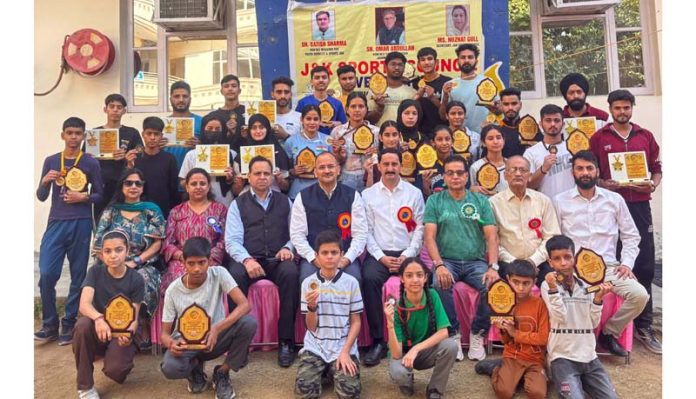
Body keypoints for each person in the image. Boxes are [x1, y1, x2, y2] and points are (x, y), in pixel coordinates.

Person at [553, 150, 648, 358]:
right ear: (573, 172)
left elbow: (632, 236)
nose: (585, 172)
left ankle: (609, 333)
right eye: (580, 168)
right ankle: (575, 348)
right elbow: (555, 239)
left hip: (610, 268)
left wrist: (627, 264)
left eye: (589, 168)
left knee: (640, 295)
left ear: (597, 171)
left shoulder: (614, 199)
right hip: (574, 271)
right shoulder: (560, 201)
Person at [590, 89, 662, 354]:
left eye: (626, 107)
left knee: (643, 266)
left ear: (632, 107)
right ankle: (606, 328)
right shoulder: (599, 138)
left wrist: (651, 185)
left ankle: (644, 328)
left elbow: (656, 169)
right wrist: (603, 183)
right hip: (609, 207)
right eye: (617, 107)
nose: (622, 111)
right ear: (610, 109)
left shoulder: (645, 136)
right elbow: (591, 171)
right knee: (614, 262)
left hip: (640, 206)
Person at [35, 117, 104, 345]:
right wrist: (45, 181)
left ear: (84, 136)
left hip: (82, 221)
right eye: (70, 132)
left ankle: (69, 321)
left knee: (78, 275)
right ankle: (49, 323)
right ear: (62, 135)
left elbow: (100, 195)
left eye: (78, 133)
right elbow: (41, 196)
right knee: (46, 273)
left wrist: (83, 196)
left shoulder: (91, 162)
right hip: (56, 221)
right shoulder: (52, 160)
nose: (74, 137)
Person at [160, 237, 257, 399]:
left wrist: (216, 328)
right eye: (191, 263)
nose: (197, 269)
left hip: (215, 339)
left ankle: (222, 372)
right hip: (186, 344)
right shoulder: (173, 290)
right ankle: (194, 369)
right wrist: (171, 343)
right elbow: (164, 334)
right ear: (183, 262)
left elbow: (244, 305)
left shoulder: (219, 273)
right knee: (169, 368)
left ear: (210, 261)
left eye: (201, 262)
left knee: (248, 323)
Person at [225, 156, 300, 368]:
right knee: (235, 276)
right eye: (257, 173)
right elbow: (231, 241)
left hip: (277, 258)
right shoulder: (237, 204)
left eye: (266, 173)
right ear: (248, 176)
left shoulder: (285, 201)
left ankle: (286, 341)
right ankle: (238, 344)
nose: (262, 177)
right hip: (249, 258)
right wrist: (247, 260)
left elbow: (296, 232)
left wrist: (288, 248)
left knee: (291, 273)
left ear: (272, 176)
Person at [424, 154, 499, 361]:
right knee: (439, 282)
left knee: (493, 287)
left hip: (476, 262)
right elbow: (429, 237)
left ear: (467, 176)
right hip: (447, 260)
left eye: (459, 173)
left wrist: (493, 266)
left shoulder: (480, 201)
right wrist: (438, 265)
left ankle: (478, 333)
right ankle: (454, 333)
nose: (455, 177)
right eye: (450, 173)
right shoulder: (434, 201)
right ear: (445, 177)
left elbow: (492, 236)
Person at [361, 148, 425, 366]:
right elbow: (365, 231)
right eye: (385, 164)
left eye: (394, 164)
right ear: (379, 167)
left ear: (401, 166)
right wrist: (380, 257)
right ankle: (379, 340)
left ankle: (419, 339)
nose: (390, 169)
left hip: (407, 253)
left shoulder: (414, 193)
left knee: (425, 280)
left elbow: (419, 229)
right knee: (368, 279)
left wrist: (407, 255)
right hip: (379, 254)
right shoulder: (367, 195)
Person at [93, 168, 166, 351]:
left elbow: (157, 244)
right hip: (111, 262)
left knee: (144, 278)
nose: (133, 186)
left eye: (138, 183)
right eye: (129, 183)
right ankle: (108, 327)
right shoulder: (111, 211)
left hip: (142, 263)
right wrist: (112, 262)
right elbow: (97, 245)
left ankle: (141, 327)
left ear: (142, 188)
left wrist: (136, 262)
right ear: (122, 186)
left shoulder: (151, 210)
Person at [157, 168, 228, 347]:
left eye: (202, 183)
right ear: (186, 187)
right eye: (193, 184)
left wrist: (210, 258)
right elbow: (168, 241)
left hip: (208, 261)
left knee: (208, 275)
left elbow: (224, 239)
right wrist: (181, 256)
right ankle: (177, 337)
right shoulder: (176, 212)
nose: (198, 187)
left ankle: (206, 333)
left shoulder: (219, 210)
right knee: (177, 277)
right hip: (182, 260)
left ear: (208, 186)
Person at [541, 235, 618, 399]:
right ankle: (561, 378)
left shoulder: (588, 284)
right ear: (550, 262)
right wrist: (554, 289)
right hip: (562, 357)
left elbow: (594, 323)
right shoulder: (547, 284)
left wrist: (598, 299)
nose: (563, 263)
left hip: (589, 356)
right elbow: (560, 317)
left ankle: (581, 382)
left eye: (567, 257)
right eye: (557, 259)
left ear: (574, 258)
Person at [72, 230, 144, 399]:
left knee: (116, 372)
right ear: (101, 254)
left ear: (127, 251)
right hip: (99, 329)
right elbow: (84, 304)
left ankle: (115, 357)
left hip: (122, 332)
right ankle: (85, 387)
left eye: (118, 250)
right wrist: (98, 318)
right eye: (108, 251)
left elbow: (134, 317)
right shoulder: (95, 272)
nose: (113, 255)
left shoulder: (136, 279)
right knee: (82, 325)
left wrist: (129, 333)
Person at [295, 230, 363, 399]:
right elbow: (310, 327)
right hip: (316, 347)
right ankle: (325, 371)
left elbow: (356, 322)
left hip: (342, 346)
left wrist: (346, 351)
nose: (330, 257)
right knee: (304, 393)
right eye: (324, 253)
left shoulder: (351, 283)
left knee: (349, 394)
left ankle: (332, 371)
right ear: (316, 256)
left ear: (342, 254)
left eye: (334, 252)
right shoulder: (308, 283)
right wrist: (311, 308)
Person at [474, 259, 549, 399]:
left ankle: (516, 376)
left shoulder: (540, 304)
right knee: (504, 393)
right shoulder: (503, 302)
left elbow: (543, 338)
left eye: (526, 283)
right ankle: (496, 369)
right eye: (516, 282)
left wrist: (515, 332)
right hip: (512, 356)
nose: (520, 288)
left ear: (534, 281)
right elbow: (505, 341)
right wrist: (503, 330)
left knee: (537, 394)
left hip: (535, 359)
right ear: (508, 279)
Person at [385, 258, 458, 399]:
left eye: (419, 275)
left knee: (451, 346)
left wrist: (416, 349)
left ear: (425, 278)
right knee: (398, 373)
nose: (415, 280)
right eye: (409, 275)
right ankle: (407, 380)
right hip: (404, 355)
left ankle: (435, 389)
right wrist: (390, 324)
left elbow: (444, 331)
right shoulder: (397, 306)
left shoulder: (433, 296)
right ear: (401, 279)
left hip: (424, 351)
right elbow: (396, 354)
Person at [290, 152, 368, 283]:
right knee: (306, 280)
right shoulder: (302, 197)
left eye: (331, 166)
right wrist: (314, 259)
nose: (327, 171)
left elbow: (360, 233)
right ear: (315, 172)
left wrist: (346, 259)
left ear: (338, 170)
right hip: (314, 257)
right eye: (321, 167)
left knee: (354, 279)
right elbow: (297, 235)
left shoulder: (353, 195)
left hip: (344, 256)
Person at [490, 156, 561, 286]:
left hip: (539, 262)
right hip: (507, 263)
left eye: (522, 170)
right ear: (505, 175)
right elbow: (491, 240)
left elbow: (551, 237)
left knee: (555, 285)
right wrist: (515, 263)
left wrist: (532, 261)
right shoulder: (493, 203)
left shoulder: (543, 200)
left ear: (529, 175)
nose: (518, 174)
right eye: (513, 170)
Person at [90, 93, 143, 222]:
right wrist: (93, 156)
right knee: (100, 223)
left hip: (124, 186)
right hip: (100, 186)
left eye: (119, 107)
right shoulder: (94, 134)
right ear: (105, 109)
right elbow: (84, 158)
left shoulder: (132, 132)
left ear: (124, 111)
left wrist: (127, 156)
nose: (115, 110)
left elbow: (141, 152)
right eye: (112, 106)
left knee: (124, 222)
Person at [179, 114, 239, 207]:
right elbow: (182, 182)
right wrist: (196, 182)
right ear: (203, 129)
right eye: (210, 128)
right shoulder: (192, 155)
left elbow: (237, 187)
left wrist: (230, 179)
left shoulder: (232, 154)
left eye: (217, 129)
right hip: (197, 204)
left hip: (225, 203)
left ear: (223, 131)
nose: (213, 131)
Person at [440, 44, 497, 132]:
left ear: (476, 61)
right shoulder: (449, 85)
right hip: (459, 139)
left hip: (485, 137)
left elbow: (500, 111)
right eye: (463, 57)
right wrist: (445, 98)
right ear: (457, 61)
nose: (466, 60)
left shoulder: (487, 82)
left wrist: (495, 108)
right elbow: (443, 117)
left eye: (470, 57)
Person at [331, 91, 379, 191]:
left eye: (361, 106)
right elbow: (333, 161)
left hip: (370, 177)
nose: (357, 110)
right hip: (346, 178)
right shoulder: (338, 132)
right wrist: (339, 155)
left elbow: (382, 158)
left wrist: (376, 153)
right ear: (347, 109)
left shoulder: (376, 132)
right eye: (353, 107)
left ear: (366, 109)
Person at [132, 116, 179, 218]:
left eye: (156, 134)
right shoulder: (134, 159)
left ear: (161, 136)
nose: (152, 137)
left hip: (163, 212)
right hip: (138, 211)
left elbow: (174, 189)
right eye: (149, 133)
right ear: (143, 134)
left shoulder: (169, 159)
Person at [524, 104, 574, 200]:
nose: (552, 124)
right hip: (544, 206)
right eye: (548, 120)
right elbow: (528, 185)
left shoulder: (572, 148)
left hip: (571, 206)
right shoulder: (531, 152)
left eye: (556, 120)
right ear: (541, 124)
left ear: (563, 124)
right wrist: (543, 169)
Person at [233, 113, 290, 194]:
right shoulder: (243, 154)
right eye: (254, 128)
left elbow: (286, 187)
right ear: (249, 130)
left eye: (261, 127)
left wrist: (280, 180)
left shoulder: (278, 152)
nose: (258, 131)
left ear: (267, 129)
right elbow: (235, 191)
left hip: (274, 197)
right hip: (247, 199)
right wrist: (239, 184)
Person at [284, 104, 332, 200]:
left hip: (322, 192)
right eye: (308, 119)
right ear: (302, 120)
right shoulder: (291, 141)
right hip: (297, 192)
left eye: (315, 119)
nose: (312, 122)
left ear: (320, 121)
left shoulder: (328, 140)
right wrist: (293, 171)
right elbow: (286, 170)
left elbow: (334, 166)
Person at [367, 52, 417, 127]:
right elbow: (369, 120)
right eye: (393, 64)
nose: (397, 67)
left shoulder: (412, 93)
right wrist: (380, 107)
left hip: (404, 136)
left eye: (400, 65)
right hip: (381, 136)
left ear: (404, 67)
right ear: (385, 67)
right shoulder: (375, 91)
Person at [411, 47, 451, 139]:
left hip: (443, 132)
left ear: (436, 62)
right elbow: (408, 108)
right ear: (419, 64)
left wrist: (433, 98)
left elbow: (449, 113)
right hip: (421, 133)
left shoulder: (447, 82)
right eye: (423, 60)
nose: (426, 62)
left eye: (429, 59)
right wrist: (417, 95)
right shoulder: (414, 83)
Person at [296, 66, 347, 135]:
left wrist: (339, 124)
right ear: (311, 81)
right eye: (317, 78)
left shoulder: (337, 103)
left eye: (324, 77)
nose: (321, 80)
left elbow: (345, 126)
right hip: (309, 142)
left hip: (331, 142)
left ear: (329, 80)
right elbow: (297, 125)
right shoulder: (303, 103)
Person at [164, 80, 203, 172]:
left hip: (193, 176)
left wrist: (200, 146)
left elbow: (210, 148)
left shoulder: (202, 121)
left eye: (185, 96)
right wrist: (157, 146)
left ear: (190, 99)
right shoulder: (163, 124)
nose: (181, 100)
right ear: (170, 99)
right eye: (176, 96)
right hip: (168, 173)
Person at [497, 87, 542, 157]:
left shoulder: (531, 127)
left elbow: (542, 152)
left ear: (520, 105)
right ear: (501, 106)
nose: (510, 108)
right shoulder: (496, 130)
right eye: (506, 104)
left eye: (514, 104)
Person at [207, 74, 246, 153]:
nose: (230, 89)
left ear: (239, 90)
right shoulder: (213, 116)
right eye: (226, 86)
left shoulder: (249, 111)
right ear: (221, 91)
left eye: (234, 86)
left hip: (246, 157)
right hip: (221, 158)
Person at [469, 125, 508, 196]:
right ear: (483, 143)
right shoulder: (476, 167)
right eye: (490, 139)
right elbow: (471, 192)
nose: (495, 142)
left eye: (498, 138)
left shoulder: (511, 165)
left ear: (504, 140)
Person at [363, 120, 403, 188]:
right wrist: (370, 173)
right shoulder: (374, 160)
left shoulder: (407, 157)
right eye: (387, 135)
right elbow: (369, 190)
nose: (391, 139)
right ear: (380, 137)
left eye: (394, 135)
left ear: (399, 136)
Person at [416, 125, 453, 197]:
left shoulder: (459, 163)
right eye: (439, 139)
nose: (444, 143)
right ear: (432, 142)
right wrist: (425, 186)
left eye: (447, 139)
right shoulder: (424, 164)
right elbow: (420, 196)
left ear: (452, 141)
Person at [395, 99, 427, 183]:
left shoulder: (423, 138)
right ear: (400, 115)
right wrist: (397, 150)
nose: (410, 117)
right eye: (406, 113)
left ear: (419, 116)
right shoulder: (393, 135)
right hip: (396, 181)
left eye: (414, 113)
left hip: (419, 182)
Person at [271, 76, 302, 142]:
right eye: (279, 92)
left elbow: (305, 145)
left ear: (291, 94)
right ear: (272, 94)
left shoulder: (300, 118)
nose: (283, 96)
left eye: (286, 92)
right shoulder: (265, 118)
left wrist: (286, 136)